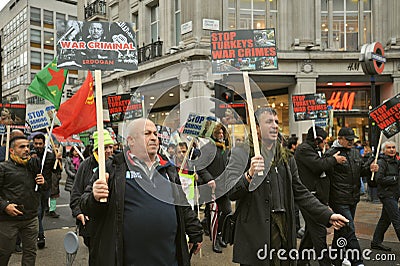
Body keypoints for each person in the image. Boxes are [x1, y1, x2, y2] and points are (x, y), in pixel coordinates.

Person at [225, 107, 349, 265]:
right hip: (256, 234)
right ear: (256, 128)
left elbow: (301, 192)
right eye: (269, 122)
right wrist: (249, 175)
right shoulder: (241, 153)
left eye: (276, 122)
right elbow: (231, 191)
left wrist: (327, 215)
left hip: (283, 230)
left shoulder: (286, 158)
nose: (275, 126)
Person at [80, 119, 203, 265]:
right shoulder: (113, 167)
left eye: (155, 134)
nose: (154, 138)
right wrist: (95, 197)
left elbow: (182, 204)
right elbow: (85, 204)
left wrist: (195, 231)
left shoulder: (168, 169)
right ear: (131, 141)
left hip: (168, 259)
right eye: (147, 133)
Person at [325, 127, 379, 266]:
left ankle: (336, 258)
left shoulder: (355, 152)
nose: (350, 142)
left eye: (352, 140)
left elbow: (361, 171)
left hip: (353, 198)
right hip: (338, 198)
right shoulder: (331, 154)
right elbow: (323, 173)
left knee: (341, 230)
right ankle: (357, 261)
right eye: (347, 140)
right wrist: (333, 161)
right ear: (340, 138)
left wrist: (370, 169)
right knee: (349, 228)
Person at [295, 126, 347, 266]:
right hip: (309, 196)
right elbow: (318, 165)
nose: (325, 144)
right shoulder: (304, 150)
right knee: (319, 232)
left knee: (310, 234)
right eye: (323, 141)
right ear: (317, 139)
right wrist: (333, 160)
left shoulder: (315, 150)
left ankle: (301, 262)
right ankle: (325, 263)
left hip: (317, 196)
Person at [0, 136, 45, 265]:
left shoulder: (33, 167)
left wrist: (43, 183)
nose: (27, 149)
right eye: (22, 147)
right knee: (4, 252)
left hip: (30, 218)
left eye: (28, 147)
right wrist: (5, 206)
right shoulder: (3, 168)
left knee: (30, 252)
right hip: (8, 220)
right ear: (11, 150)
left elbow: (43, 190)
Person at [69, 131, 114, 249]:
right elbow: (76, 193)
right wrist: (79, 212)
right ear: (97, 149)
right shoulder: (85, 166)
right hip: (91, 225)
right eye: (105, 147)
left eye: (111, 147)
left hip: (112, 225)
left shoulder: (117, 165)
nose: (109, 150)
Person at [197, 123, 232, 253]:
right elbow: (200, 166)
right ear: (213, 134)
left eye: (222, 132)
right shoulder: (207, 148)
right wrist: (209, 179)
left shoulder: (226, 148)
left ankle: (220, 234)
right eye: (218, 133)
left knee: (227, 211)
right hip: (211, 188)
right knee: (214, 215)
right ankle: (215, 240)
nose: (221, 135)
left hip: (223, 187)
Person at [31, 133, 61, 249]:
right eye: (36, 143)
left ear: (44, 144)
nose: (38, 146)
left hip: (45, 188)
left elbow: (56, 169)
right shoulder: (30, 155)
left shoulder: (50, 155)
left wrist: (58, 160)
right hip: (33, 189)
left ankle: (38, 228)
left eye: (40, 144)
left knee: (42, 211)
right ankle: (40, 236)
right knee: (37, 212)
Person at [371, 141, 400, 251]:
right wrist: (394, 179)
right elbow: (379, 179)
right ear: (383, 150)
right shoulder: (381, 162)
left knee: (385, 219)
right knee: (397, 220)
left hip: (395, 194)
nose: (392, 149)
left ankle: (376, 242)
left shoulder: (396, 161)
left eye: (393, 147)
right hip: (387, 194)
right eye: (389, 148)